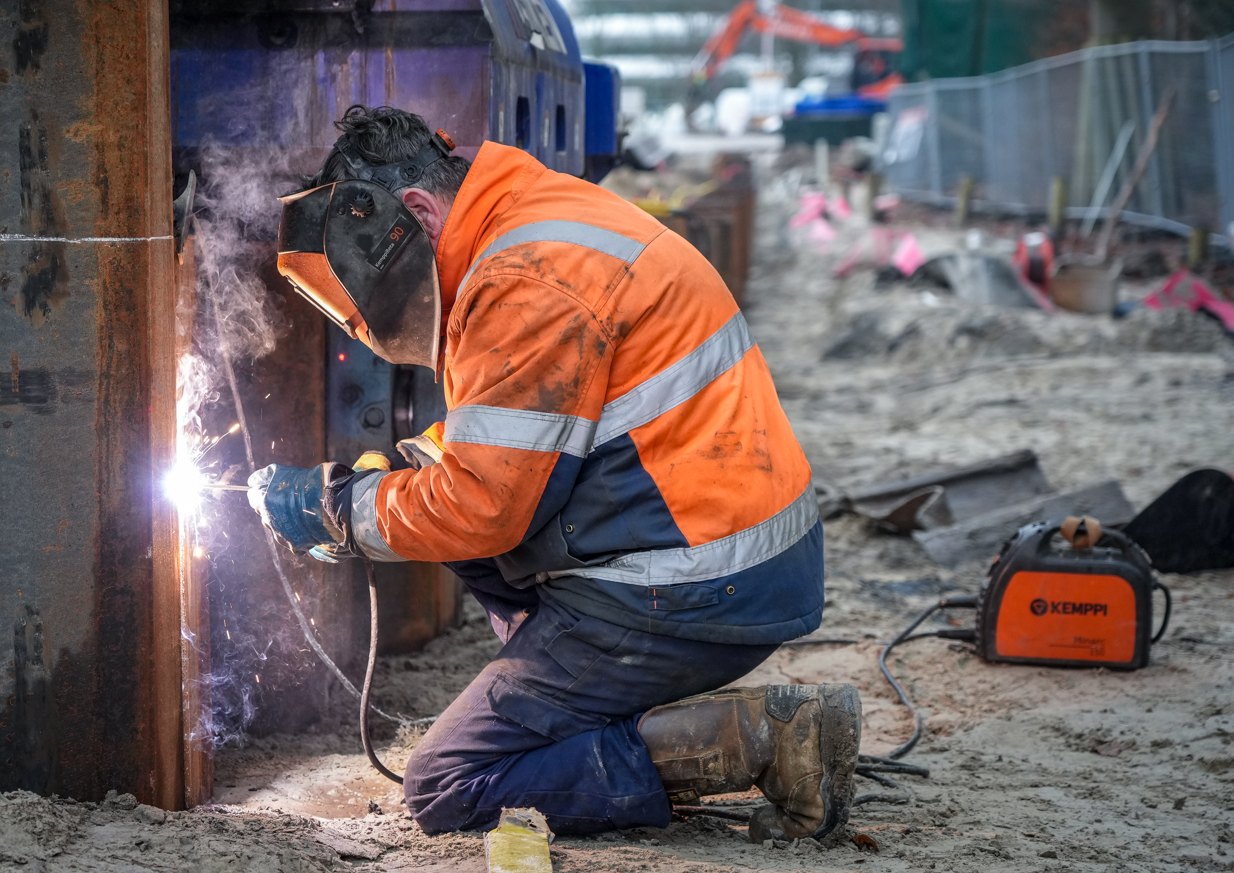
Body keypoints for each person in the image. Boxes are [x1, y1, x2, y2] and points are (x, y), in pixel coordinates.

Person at [250, 105, 858, 841]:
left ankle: (755, 741)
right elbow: (530, 432)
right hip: (730, 549)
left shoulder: (522, 278)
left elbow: (485, 509)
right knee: (455, 528)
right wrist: (401, 475)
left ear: (416, 210)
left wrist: (338, 511)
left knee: (447, 784)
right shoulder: (532, 214)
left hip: (693, 583)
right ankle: (573, 701)